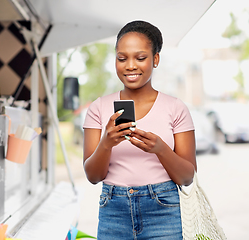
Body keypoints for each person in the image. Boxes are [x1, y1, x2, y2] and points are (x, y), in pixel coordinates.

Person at [82, 20, 197, 239]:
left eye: (140, 58)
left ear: (155, 59)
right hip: (113, 210)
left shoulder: (175, 108)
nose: (130, 65)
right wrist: (106, 143)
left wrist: (160, 149)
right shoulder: (99, 108)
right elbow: (93, 176)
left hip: (163, 209)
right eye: (122, 58)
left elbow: (187, 177)